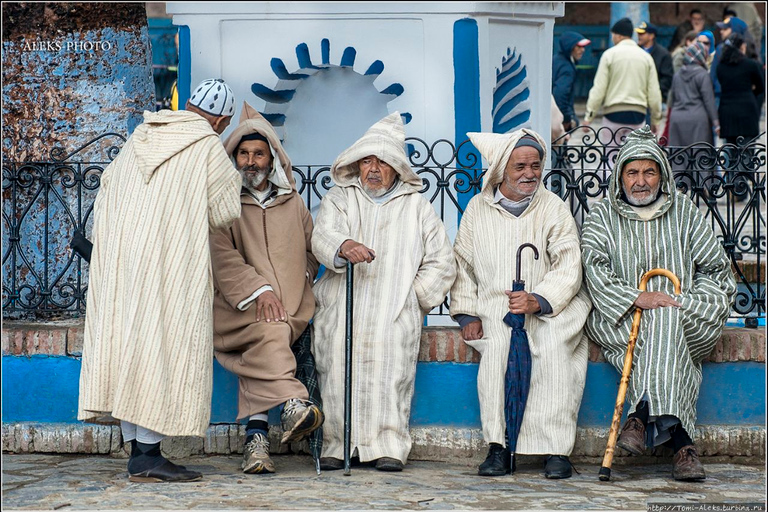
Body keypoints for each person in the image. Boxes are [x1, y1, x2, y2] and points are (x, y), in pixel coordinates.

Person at [77, 78, 242, 483]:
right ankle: (148, 454)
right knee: (161, 347)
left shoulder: (140, 137)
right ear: (222, 121)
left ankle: (140, 453)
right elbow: (225, 211)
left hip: (121, 261)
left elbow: (107, 189)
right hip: (168, 262)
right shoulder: (207, 148)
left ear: (186, 104)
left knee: (132, 346)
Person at [581, 126, 736, 482]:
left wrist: (680, 301)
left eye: (649, 171)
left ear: (661, 175)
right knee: (659, 322)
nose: (640, 181)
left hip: (686, 317)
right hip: (620, 320)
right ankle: (682, 444)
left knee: (665, 318)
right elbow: (593, 270)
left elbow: (717, 271)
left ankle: (639, 416)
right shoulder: (602, 216)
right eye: (632, 172)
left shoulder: (685, 212)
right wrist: (638, 297)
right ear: (620, 176)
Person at [311, 112, 456, 472]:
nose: (373, 169)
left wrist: (412, 299)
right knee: (337, 373)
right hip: (344, 305)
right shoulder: (341, 197)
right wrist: (343, 245)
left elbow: (442, 262)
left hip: (394, 309)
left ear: (396, 167)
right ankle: (337, 445)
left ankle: (388, 446)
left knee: (390, 378)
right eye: (367, 160)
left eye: (382, 162)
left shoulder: (417, 207)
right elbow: (321, 235)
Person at [450, 129, 591, 479]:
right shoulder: (477, 210)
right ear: (501, 171)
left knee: (554, 353)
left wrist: (539, 300)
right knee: (496, 353)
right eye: (520, 167)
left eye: (535, 165)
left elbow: (569, 264)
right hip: (497, 308)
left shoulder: (553, 208)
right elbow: (462, 265)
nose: (530, 173)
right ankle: (499, 447)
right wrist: (467, 312)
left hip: (550, 308)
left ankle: (556, 450)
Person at [210, 101, 323, 475]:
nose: (251, 161)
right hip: (235, 307)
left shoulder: (294, 203)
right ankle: (293, 402)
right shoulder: (223, 204)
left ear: (272, 159)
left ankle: (256, 442)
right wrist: (260, 291)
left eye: (258, 153)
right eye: (243, 153)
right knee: (267, 329)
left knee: (267, 336)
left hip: (291, 306)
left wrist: (301, 281)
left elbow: (311, 249)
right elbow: (222, 257)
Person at [583, 17, 662, 145]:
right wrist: (655, 120)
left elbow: (599, 89)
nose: (612, 37)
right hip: (637, 115)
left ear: (618, 36)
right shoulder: (646, 57)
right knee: (634, 157)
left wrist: (589, 116)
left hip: (613, 114)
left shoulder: (609, 55)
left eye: (613, 35)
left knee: (610, 158)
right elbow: (654, 92)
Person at [716, 33, 765, 201]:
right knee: (747, 152)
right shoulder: (751, 65)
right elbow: (761, 87)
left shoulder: (721, 66)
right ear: (741, 47)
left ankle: (734, 187)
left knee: (731, 151)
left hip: (727, 112)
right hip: (747, 112)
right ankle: (744, 188)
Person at [667, 41, 719, 147]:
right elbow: (708, 100)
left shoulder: (677, 75)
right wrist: (716, 122)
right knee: (698, 157)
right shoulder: (702, 75)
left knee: (679, 158)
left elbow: (672, 98)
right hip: (698, 120)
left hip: (677, 118)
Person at [552, 31, 591, 131]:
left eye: (583, 47)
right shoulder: (567, 68)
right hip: (557, 117)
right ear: (569, 47)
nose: (582, 50)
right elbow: (560, 94)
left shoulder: (556, 60)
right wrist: (567, 118)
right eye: (578, 47)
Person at [635, 22, 674, 104]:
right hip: (635, 98)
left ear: (651, 36)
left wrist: (654, 92)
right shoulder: (634, 51)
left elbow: (667, 78)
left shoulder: (663, 54)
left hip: (655, 99)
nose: (639, 36)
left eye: (642, 34)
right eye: (638, 34)